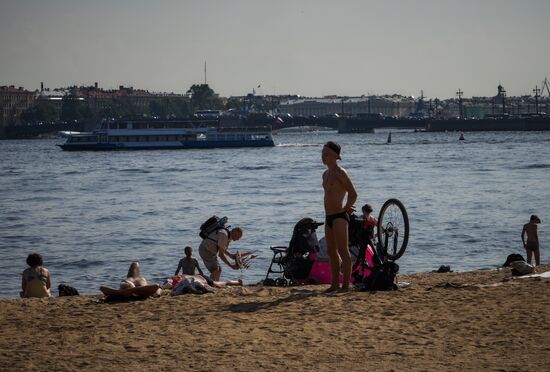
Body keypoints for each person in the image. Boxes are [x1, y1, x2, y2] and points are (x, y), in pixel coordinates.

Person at [322, 141, 358, 292]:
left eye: (327, 154)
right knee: (331, 251)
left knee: (343, 250)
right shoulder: (325, 174)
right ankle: (335, 284)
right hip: (328, 216)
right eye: (322, 153)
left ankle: (345, 285)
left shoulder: (340, 172)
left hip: (339, 216)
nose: (323, 156)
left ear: (336, 156)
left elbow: (353, 193)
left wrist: (346, 208)